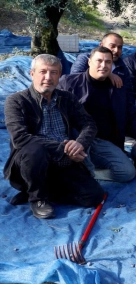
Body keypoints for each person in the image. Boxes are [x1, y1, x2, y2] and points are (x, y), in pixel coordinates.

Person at [4, 54, 105, 219]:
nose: (48, 77)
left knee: (94, 196)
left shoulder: (67, 98)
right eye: (43, 72)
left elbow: (89, 124)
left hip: (63, 161)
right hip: (32, 162)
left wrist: (79, 144)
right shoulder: (16, 101)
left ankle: (41, 191)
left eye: (53, 72)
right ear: (32, 74)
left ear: (59, 75)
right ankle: (38, 198)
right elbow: (20, 137)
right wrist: (63, 149)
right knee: (35, 150)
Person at [58, 46, 136, 183]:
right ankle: (81, 171)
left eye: (108, 62)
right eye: (99, 61)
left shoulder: (118, 86)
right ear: (89, 62)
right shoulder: (69, 82)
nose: (103, 65)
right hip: (75, 139)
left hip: (102, 142)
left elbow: (131, 112)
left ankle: (91, 173)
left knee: (128, 172)